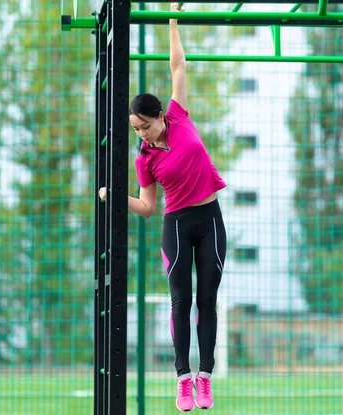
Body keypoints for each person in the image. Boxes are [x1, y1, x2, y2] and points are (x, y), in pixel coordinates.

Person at [99, 3, 226, 411]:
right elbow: (148, 207)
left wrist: (172, 20)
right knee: (180, 300)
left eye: (146, 127)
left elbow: (178, 67)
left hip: (210, 218)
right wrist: (115, 197)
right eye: (136, 130)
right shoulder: (144, 158)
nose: (144, 136)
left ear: (159, 117)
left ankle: (205, 380)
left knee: (208, 299)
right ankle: (182, 379)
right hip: (175, 224)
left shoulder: (179, 116)